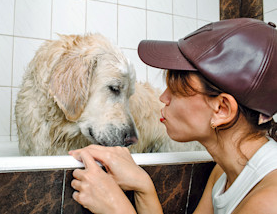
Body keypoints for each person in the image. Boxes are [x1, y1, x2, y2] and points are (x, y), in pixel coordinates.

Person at [69, 18, 277, 214]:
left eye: (176, 90)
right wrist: (143, 186)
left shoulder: (268, 202)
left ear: (222, 109)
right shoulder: (223, 173)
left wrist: (117, 208)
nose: (163, 97)